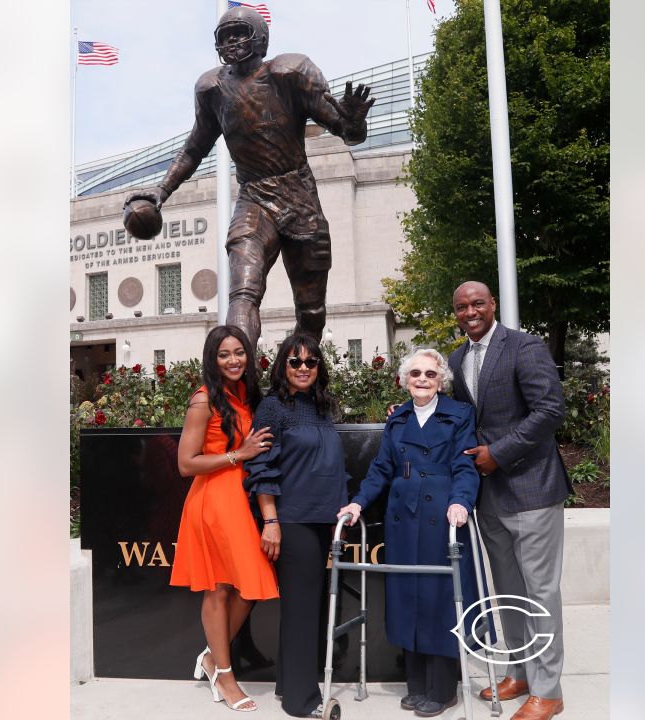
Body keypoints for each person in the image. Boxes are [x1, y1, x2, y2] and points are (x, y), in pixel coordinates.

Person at [127, 5, 375, 348]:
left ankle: (304, 382)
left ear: (260, 37)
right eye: (225, 36)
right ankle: (237, 381)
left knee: (312, 309)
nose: (231, 42)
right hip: (254, 197)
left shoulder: (291, 72)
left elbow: (347, 132)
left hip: (298, 193)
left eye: (238, 33)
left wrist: (355, 121)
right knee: (243, 292)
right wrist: (162, 190)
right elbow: (194, 148)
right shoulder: (211, 88)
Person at [447, 281, 573, 720]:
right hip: (490, 498)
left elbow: (550, 409)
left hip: (533, 488)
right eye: (462, 306)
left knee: (540, 591)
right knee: (508, 592)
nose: (470, 311)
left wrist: (498, 454)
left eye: (477, 303)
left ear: (492, 304)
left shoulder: (524, 346)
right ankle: (520, 672)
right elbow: (464, 417)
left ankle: (549, 690)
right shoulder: (457, 358)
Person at [338, 349, 481, 719]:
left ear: (441, 381)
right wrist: (357, 503)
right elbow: (381, 469)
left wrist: (461, 501)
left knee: (439, 597)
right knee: (408, 596)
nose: (422, 379)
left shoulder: (459, 414)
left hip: (441, 514)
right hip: (402, 516)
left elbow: (466, 465)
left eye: (430, 374)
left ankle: (444, 688)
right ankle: (417, 685)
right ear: (404, 379)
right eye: (415, 373)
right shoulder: (398, 419)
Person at [171, 325, 278, 712]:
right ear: (211, 360)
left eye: (239, 352)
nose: (233, 360)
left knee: (249, 588)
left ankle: (212, 658)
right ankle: (227, 678)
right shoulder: (204, 399)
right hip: (214, 500)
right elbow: (186, 463)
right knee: (217, 588)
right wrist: (239, 454)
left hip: (242, 499)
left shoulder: (246, 397)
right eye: (223, 354)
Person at [243, 335, 349, 718]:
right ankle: (303, 701)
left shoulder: (323, 407)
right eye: (294, 361)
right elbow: (260, 467)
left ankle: (289, 685)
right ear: (281, 367)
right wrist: (270, 521)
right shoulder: (273, 408)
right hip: (292, 520)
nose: (303, 368)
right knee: (304, 609)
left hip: (324, 519)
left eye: (311, 362)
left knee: (308, 606)